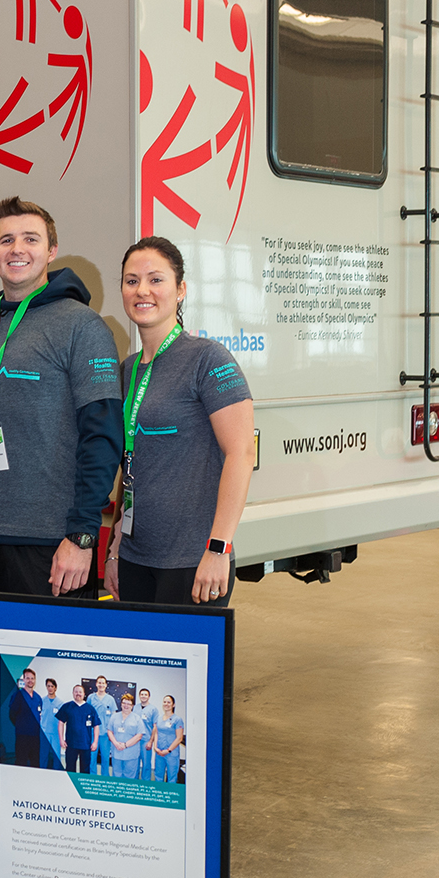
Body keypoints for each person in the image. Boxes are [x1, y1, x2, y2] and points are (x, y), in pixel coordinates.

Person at [0, 198, 123, 597]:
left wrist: (82, 534)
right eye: (6, 240)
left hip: (53, 540)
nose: (17, 249)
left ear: (51, 250)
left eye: (30, 238)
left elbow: (103, 436)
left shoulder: (82, 326)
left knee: (51, 659)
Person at [105, 236, 256, 607]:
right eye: (131, 280)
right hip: (136, 558)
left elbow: (241, 453)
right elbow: (131, 467)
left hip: (193, 561)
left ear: (181, 289)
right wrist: (115, 549)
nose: (143, 290)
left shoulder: (208, 359)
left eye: (156, 280)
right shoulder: (127, 370)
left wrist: (218, 549)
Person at [56, 683, 102, 774]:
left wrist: (95, 742)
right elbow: (61, 723)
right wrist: (61, 739)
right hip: (71, 744)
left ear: (84, 694)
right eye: (76, 691)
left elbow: (96, 726)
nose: (78, 693)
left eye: (80, 692)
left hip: (85, 745)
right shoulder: (67, 707)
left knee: (85, 770)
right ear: (73, 693)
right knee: (70, 768)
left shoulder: (90, 708)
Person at [7, 668, 44, 767]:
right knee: (21, 762)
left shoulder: (38, 698)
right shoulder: (18, 696)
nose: (30, 680)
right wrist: (22, 725)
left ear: (35, 680)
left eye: (32, 678)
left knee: (35, 763)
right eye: (28, 678)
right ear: (23, 679)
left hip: (35, 736)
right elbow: (12, 715)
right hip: (22, 736)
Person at [105, 692, 147, 778]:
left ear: (132, 706)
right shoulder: (114, 717)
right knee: (116, 774)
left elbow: (139, 735)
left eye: (129, 704)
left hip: (131, 753)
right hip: (116, 751)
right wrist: (116, 743)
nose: (126, 705)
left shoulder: (137, 718)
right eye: (124, 703)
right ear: (121, 704)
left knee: (129, 776)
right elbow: (109, 731)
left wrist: (125, 745)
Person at [151, 694, 185, 784]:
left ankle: (170, 797)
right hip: (159, 752)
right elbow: (156, 732)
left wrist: (168, 750)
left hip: (171, 753)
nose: (166, 704)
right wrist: (156, 747)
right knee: (158, 775)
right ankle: (159, 795)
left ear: (173, 705)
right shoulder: (159, 718)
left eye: (169, 702)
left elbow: (179, 738)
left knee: (172, 777)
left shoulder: (177, 720)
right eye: (164, 702)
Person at [87, 674, 114, 775]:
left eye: (103, 683)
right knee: (92, 758)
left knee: (105, 759)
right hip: (93, 733)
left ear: (106, 685)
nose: (101, 685)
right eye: (99, 683)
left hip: (105, 734)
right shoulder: (91, 697)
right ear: (96, 684)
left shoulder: (110, 699)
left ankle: (104, 778)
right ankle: (92, 777)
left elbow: (113, 717)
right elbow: (87, 713)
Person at [136, 687, 159, 779]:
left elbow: (155, 727)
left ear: (149, 696)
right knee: (134, 763)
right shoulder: (135, 708)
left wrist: (151, 741)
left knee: (146, 764)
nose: (143, 696)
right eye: (142, 694)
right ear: (139, 696)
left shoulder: (153, 709)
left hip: (146, 740)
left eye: (145, 695)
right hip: (135, 740)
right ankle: (134, 783)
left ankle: (145, 784)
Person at [39, 678, 62, 769]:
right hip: (44, 732)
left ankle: (57, 774)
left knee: (57, 756)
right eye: (48, 686)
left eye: (52, 686)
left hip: (56, 733)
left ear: (55, 688)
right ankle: (42, 773)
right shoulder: (42, 701)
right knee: (43, 755)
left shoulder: (60, 703)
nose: (50, 688)